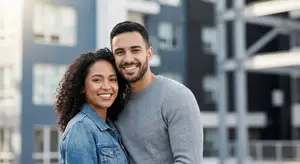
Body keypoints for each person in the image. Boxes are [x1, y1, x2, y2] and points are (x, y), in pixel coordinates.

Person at [110, 21, 203, 164]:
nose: (128, 59)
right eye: (120, 52)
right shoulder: (115, 102)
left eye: (135, 50)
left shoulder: (176, 97)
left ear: (149, 53)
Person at [55, 48, 129, 164]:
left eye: (112, 79)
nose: (106, 86)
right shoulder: (81, 128)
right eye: (97, 80)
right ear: (82, 87)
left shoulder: (110, 127)